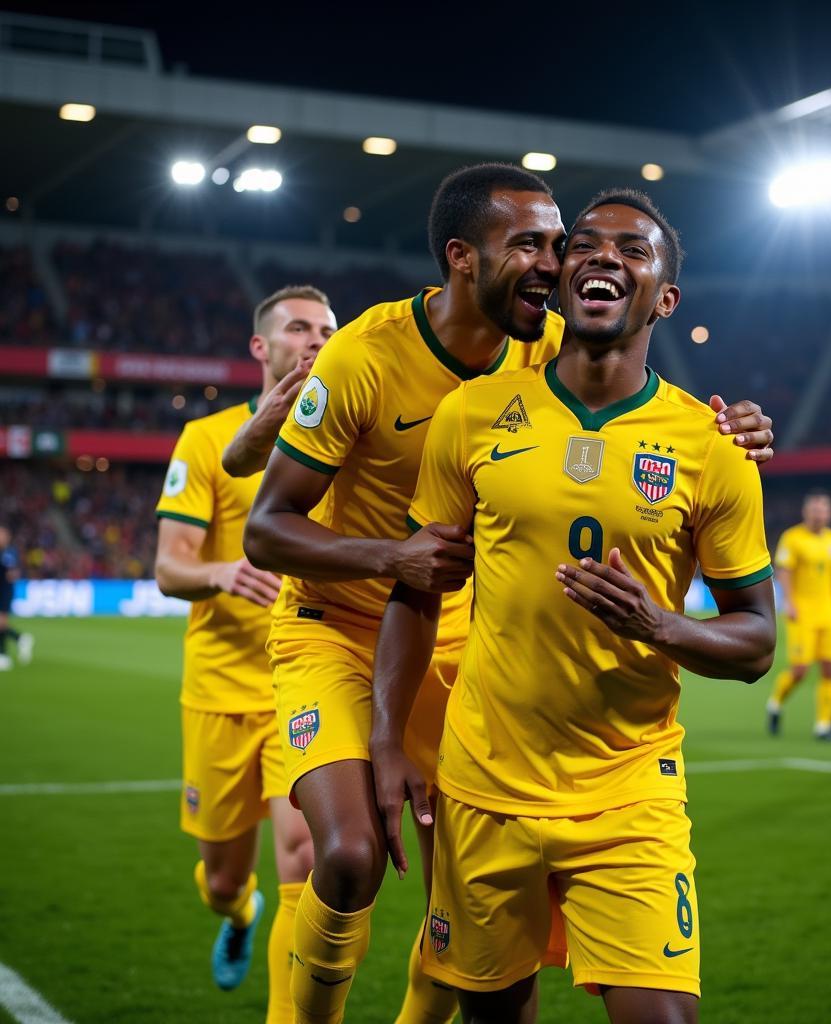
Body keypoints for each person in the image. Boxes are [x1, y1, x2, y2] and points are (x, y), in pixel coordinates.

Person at [243, 164, 776, 1024]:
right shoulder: (367, 358)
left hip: (458, 638)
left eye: (556, 245)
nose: (555, 261)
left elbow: (636, 383)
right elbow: (265, 528)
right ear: (462, 257)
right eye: (534, 244)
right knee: (346, 854)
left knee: (450, 912)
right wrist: (398, 559)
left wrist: (737, 422)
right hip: (337, 622)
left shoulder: (546, 346)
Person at [154, 284, 336, 1023]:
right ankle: (236, 913)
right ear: (262, 348)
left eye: (329, 328)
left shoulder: (345, 439)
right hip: (221, 689)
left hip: (306, 681)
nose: (318, 338)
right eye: (299, 327)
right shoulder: (205, 440)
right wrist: (222, 572)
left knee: (304, 856)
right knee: (226, 877)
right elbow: (170, 568)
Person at [766, 491, 831, 740]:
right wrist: (790, 602)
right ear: (806, 512)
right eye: (814, 509)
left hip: (830, 613)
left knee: (830, 669)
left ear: (829, 513)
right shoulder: (792, 538)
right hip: (803, 613)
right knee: (801, 670)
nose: (818, 514)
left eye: (823, 509)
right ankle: (775, 703)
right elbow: (784, 571)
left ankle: (823, 725)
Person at [0, 525, 33, 671]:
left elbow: (12, 575)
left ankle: (4, 655)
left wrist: (10, 574)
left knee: (1, 623)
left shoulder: (9, 554)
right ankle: (20, 639)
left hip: (4, 591)